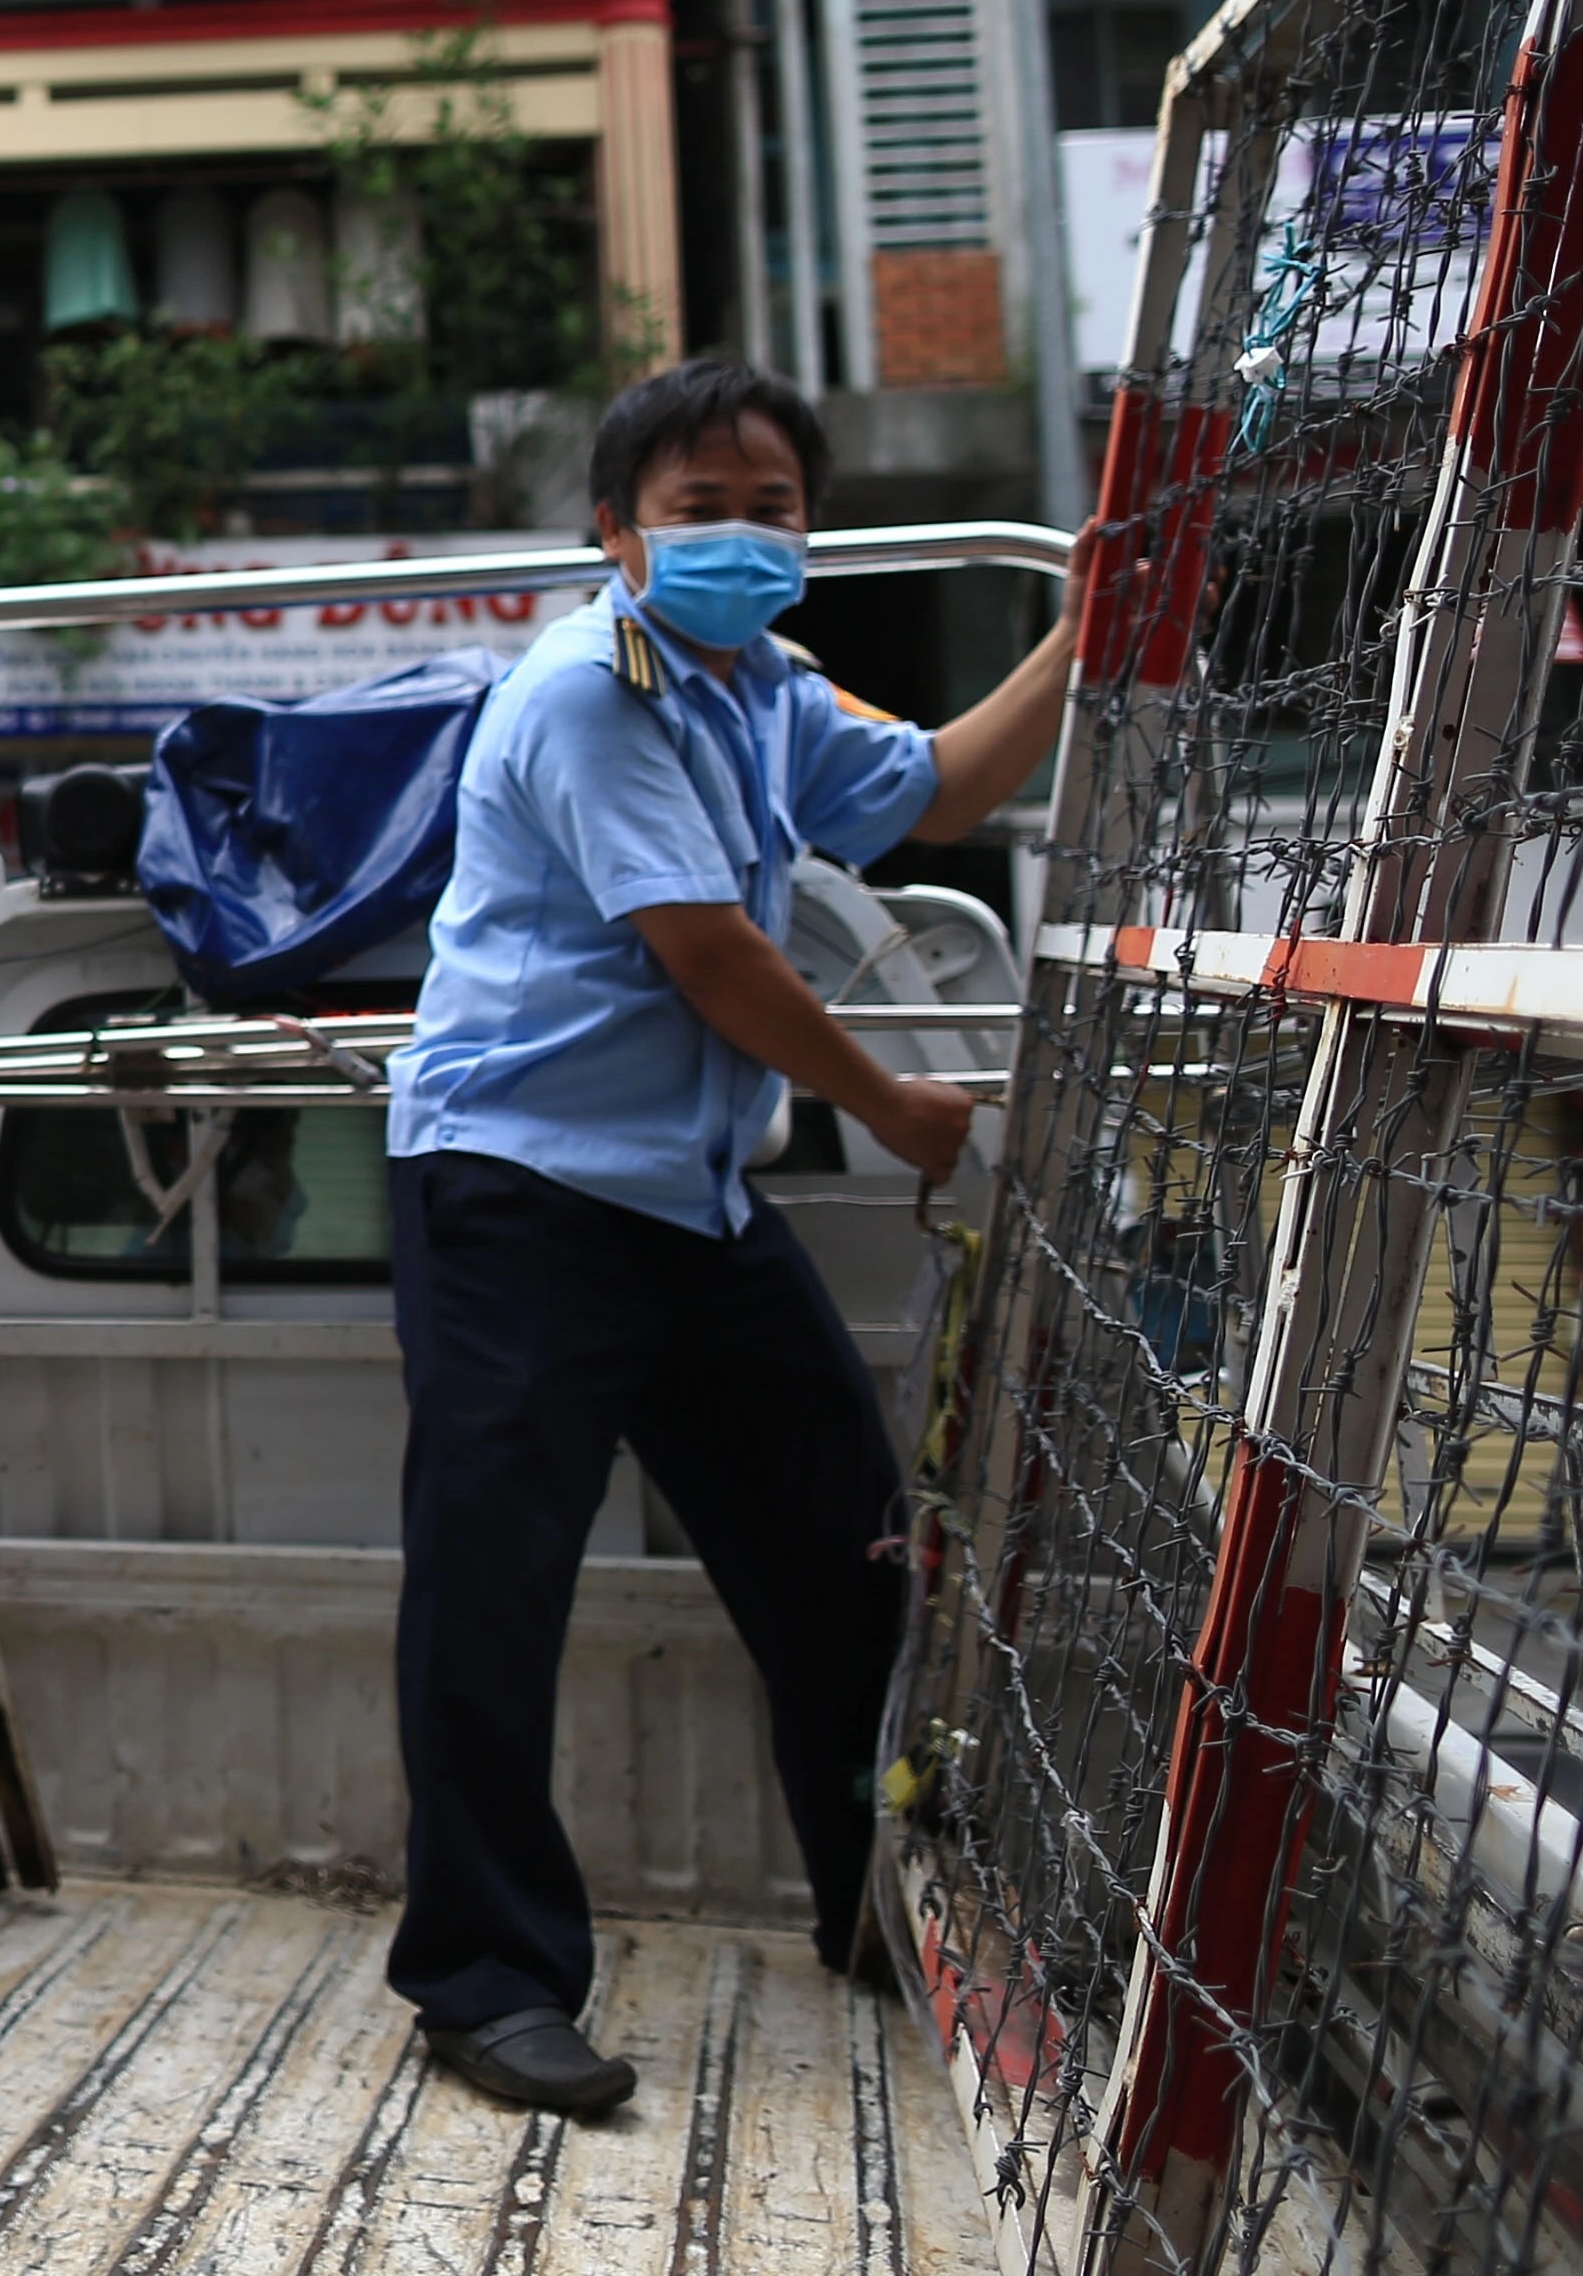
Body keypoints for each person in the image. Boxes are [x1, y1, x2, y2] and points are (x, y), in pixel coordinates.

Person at [379, 356, 1073, 2116]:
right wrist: (896, 1102)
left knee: (845, 1563)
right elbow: (710, 953)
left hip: (685, 1202)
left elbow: (932, 795)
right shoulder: (583, 693)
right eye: (699, 507)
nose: (743, 536)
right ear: (612, 531)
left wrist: (1091, 633)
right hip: (516, 1191)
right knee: (493, 1590)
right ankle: (482, 1980)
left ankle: (885, 1916)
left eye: (773, 507)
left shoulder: (762, 686)